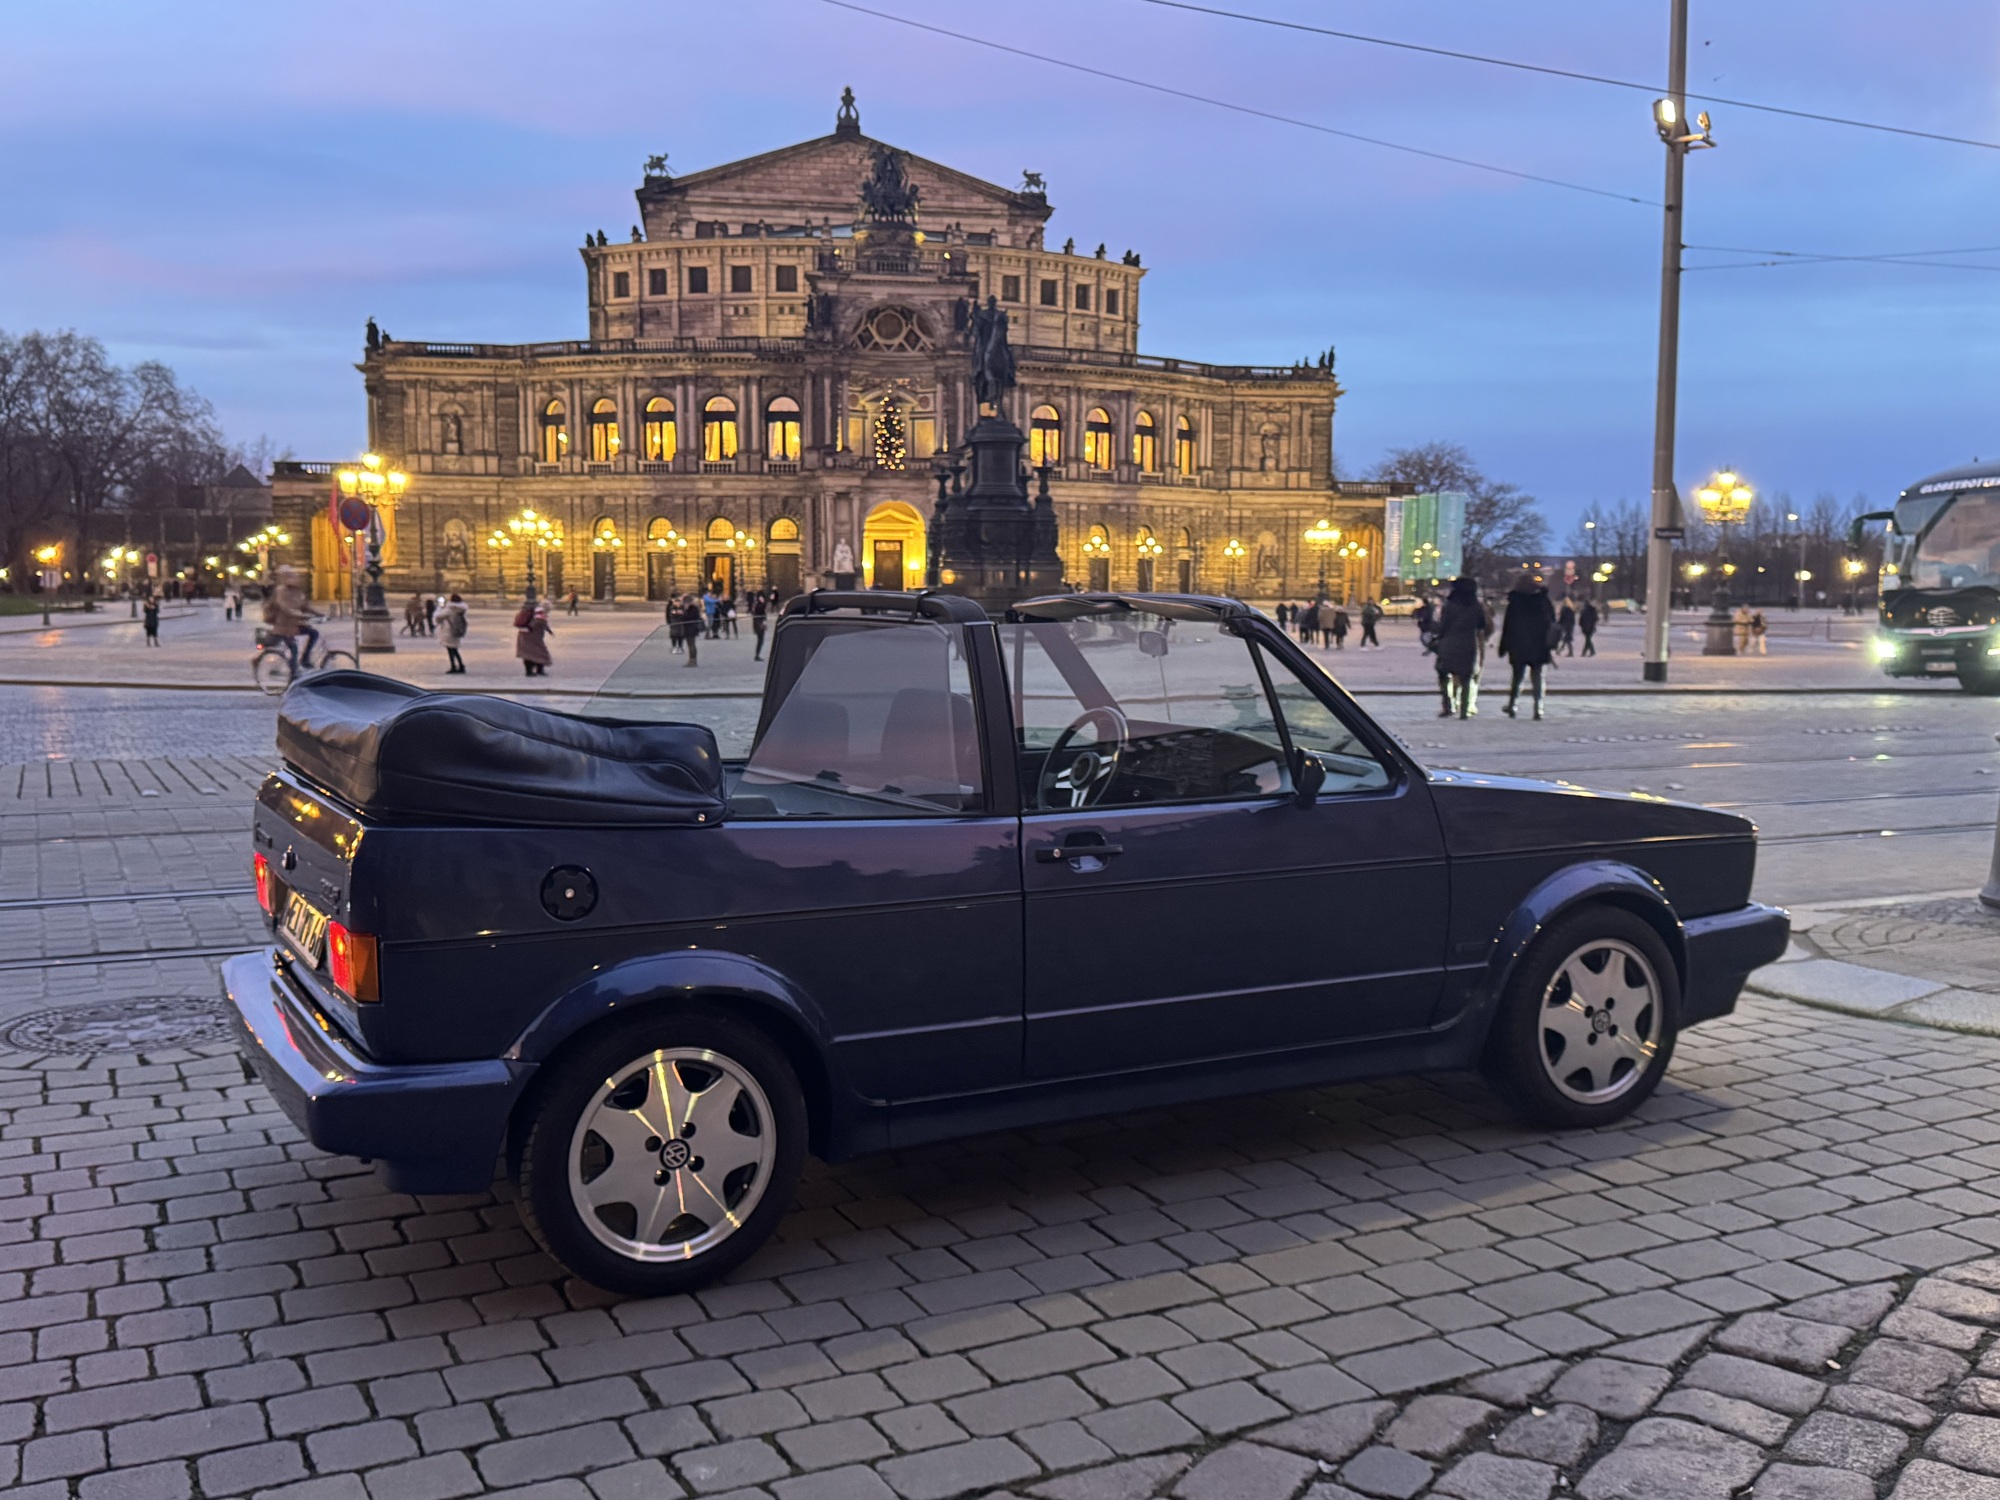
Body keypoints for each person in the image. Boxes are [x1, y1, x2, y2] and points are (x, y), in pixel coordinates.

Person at [1498, 571, 1557, 720]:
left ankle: (1513, 705)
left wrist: (1503, 647)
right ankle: (1538, 708)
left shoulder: (1515, 602)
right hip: (1539, 644)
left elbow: (1508, 626)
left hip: (1518, 644)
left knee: (1517, 678)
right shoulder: (1543, 600)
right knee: (1538, 678)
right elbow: (1553, 622)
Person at [1433, 576, 1490, 719]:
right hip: (1468, 644)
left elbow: (1443, 625)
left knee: (1444, 674)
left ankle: (1448, 705)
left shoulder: (1450, 605)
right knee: (1466, 677)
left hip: (1449, 643)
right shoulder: (1476, 606)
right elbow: (1482, 626)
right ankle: (1464, 710)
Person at [263, 565, 321, 669]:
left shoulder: (297, 591)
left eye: (294, 576)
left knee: (313, 633)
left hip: (295, 625)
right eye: (290, 576)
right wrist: (300, 615)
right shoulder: (280, 591)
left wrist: (319, 614)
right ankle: (293, 676)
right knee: (293, 649)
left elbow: (304, 606)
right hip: (284, 626)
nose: (294, 578)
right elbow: (284, 607)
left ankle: (305, 659)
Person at [516, 599, 553, 676]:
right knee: (540, 653)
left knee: (528, 654)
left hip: (524, 635)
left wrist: (549, 631)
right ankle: (538, 670)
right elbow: (538, 624)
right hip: (533, 637)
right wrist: (549, 631)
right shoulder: (540, 614)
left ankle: (529, 671)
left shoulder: (535, 611)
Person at [437, 593, 468, 673]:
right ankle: (461, 665)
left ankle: (453, 666)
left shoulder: (450, 609)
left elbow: (439, 617)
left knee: (451, 650)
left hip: (449, 631)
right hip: (457, 630)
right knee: (455, 650)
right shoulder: (462, 610)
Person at [680, 594, 703, 667]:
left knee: (691, 645)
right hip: (690, 628)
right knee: (690, 644)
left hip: (691, 628)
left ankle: (693, 660)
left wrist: (685, 611)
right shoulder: (694, 608)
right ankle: (692, 660)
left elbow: (687, 617)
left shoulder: (693, 608)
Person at [751, 590, 769, 661]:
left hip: (758, 622)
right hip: (759, 623)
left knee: (760, 639)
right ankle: (757, 655)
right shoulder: (759, 604)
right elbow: (760, 611)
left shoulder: (756, 604)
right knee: (760, 639)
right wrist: (763, 604)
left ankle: (757, 654)